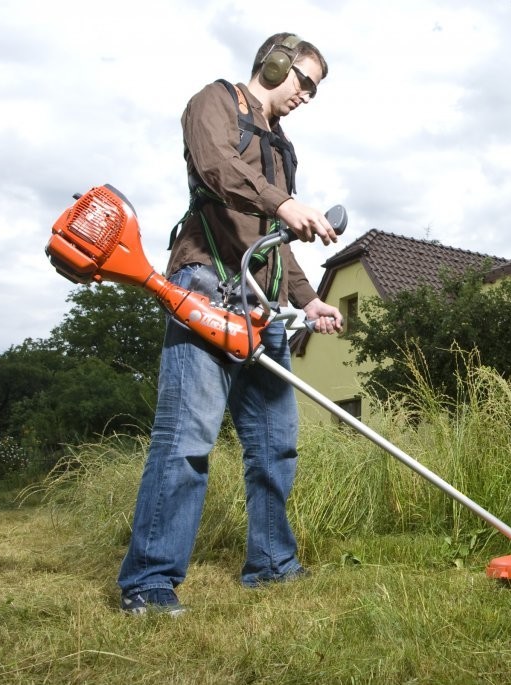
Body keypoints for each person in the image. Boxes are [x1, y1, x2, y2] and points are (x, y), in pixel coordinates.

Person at [118, 32, 343, 615]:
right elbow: (216, 168)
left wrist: (309, 299)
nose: (308, 96)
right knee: (187, 440)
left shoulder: (282, 149)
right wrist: (284, 203)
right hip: (206, 289)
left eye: (317, 90)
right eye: (304, 81)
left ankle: (271, 564)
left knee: (275, 445)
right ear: (273, 64)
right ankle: (149, 581)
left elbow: (275, 240)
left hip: (263, 310)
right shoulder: (213, 103)